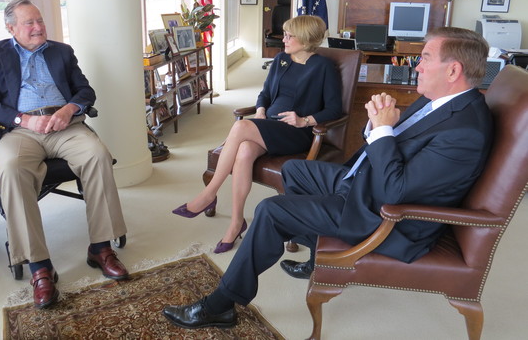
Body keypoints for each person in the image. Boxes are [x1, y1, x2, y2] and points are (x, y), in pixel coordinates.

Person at [162, 27, 493, 329]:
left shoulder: (465, 130)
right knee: (295, 170)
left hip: (387, 218)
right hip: (365, 184)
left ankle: (222, 303)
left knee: (271, 210)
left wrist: (382, 129)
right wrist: (377, 125)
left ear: (453, 71)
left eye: (425, 59)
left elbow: (397, 189)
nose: (417, 65)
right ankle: (316, 250)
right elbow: (396, 148)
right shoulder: (438, 101)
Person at [0, 0, 129, 309]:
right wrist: (23, 119)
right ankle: (39, 266)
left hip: (64, 125)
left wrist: (69, 109)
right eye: (29, 23)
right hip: (19, 130)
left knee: (97, 154)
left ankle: (100, 247)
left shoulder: (62, 51)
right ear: (11, 28)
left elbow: (85, 91)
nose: (38, 27)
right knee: (12, 168)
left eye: (39, 21)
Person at [171, 15, 342, 254]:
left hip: (296, 132)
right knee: (243, 150)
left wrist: (305, 120)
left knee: (241, 127)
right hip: (269, 125)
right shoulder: (282, 59)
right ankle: (236, 223)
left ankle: (209, 194)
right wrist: (261, 110)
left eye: (290, 35)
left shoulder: (323, 67)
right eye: (285, 34)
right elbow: (265, 94)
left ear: (306, 39)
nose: (284, 39)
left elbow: (335, 108)